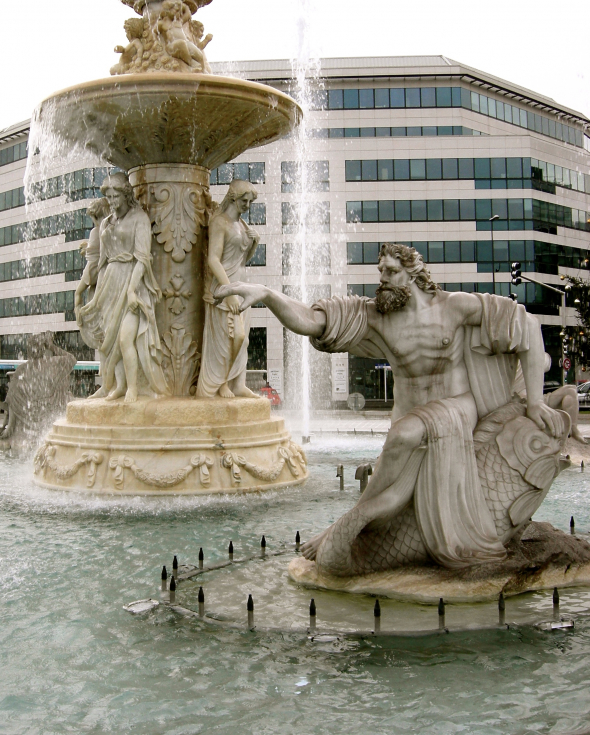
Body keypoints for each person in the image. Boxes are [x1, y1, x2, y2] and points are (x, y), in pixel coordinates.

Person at [215, 242, 566, 576]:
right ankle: (358, 527)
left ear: (413, 273)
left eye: (391, 272)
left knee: (404, 434)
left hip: (457, 409)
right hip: (411, 412)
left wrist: (534, 402)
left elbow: (526, 326)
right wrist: (266, 294)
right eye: (380, 271)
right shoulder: (377, 317)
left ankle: (349, 522)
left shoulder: (454, 306)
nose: (382, 279)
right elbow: (312, 321)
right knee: (396, 472)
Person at [77, 173, 167, 403]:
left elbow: (143, 259)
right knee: (110, 339)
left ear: (126, 195)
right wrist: (95, 295)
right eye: (109, 197)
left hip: (133, 282)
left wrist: (131, 290)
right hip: (110, 283)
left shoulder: (140, 219)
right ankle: (118, 386)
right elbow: (102, 261)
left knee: (126, 338)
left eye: (116, 196)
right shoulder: (107, 222)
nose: (113, 201)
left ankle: (134, 389)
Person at [197, 179, 260, 398]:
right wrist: (229, 292)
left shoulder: (241, 225)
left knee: (244, 339)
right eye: (245, 200)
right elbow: (214, 260)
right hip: (225, 288)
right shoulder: (219, 222)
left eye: (251, 201)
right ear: (233, 197)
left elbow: (242, 259)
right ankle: (221, 383)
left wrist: (254, 244)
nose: (248, 205)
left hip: (241, 287)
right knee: (232, 338)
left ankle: (238, 384)